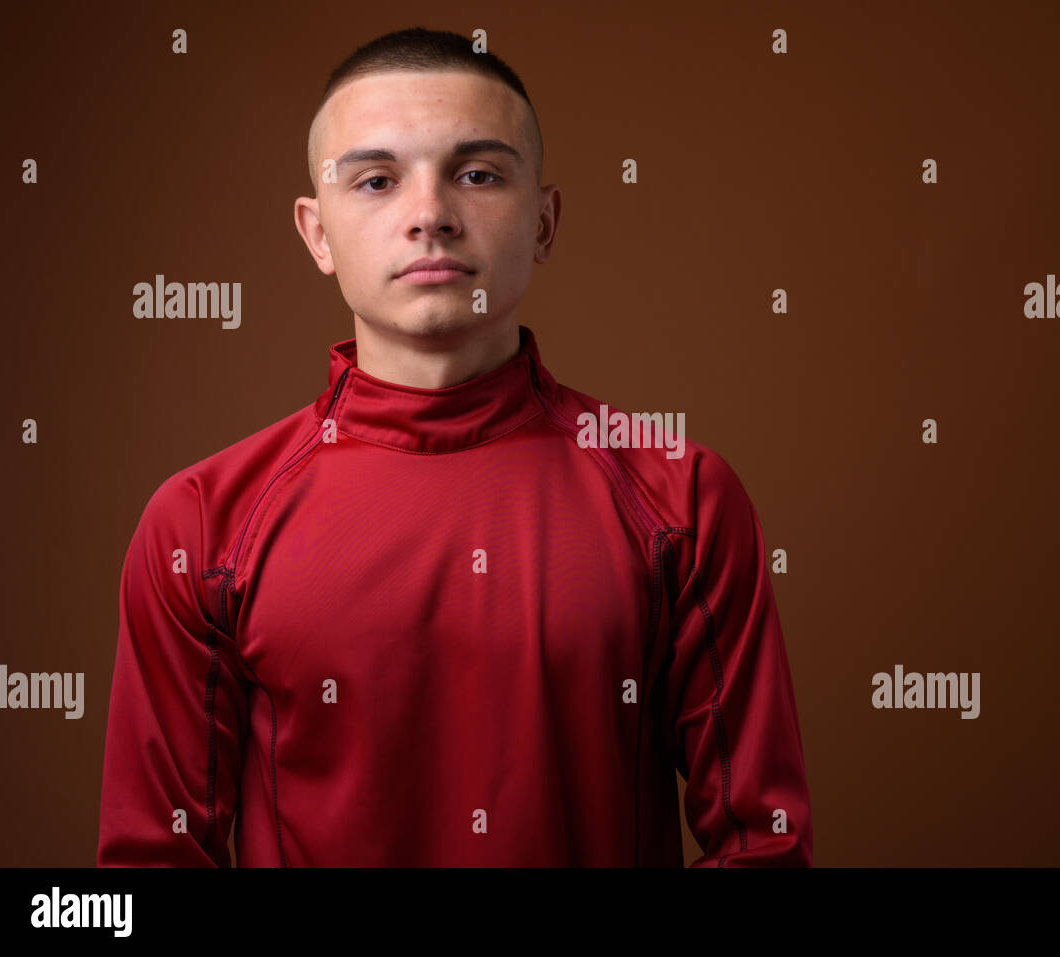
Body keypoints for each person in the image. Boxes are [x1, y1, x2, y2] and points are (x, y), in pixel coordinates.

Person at [97, 26, 812, 867]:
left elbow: (764, 845)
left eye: (477, 174)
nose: (429, 214)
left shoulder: (683, 496)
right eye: (375, 180)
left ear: (544, 221)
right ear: (316, 232)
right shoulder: (201, 525)